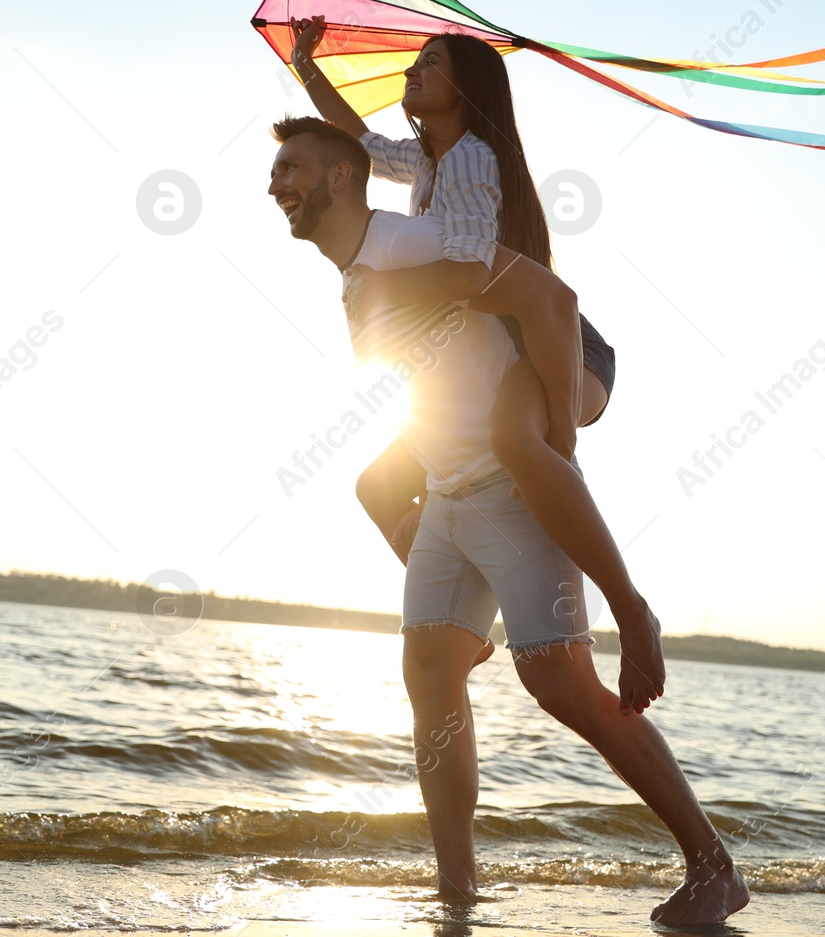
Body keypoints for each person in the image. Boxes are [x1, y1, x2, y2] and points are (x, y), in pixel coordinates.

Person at [266, 114, 750, 925]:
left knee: (562, 686)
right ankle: (456, 891)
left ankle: (713, 864)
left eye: (291, 169)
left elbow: (550, 297)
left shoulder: (417, 243)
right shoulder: (359, 270)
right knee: (429, 674)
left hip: (511, 492)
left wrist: (550, 438)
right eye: (275, 171)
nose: (275, 185)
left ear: (341, 177)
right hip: (448, 502)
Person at [287, 17, 665, 710]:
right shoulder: (430, 160)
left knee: (516, 441)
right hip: (511, 344)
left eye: (430, 62)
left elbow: (476, 277)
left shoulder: (470, 158)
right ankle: (468, 624)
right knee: (378, 486)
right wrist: (308, 66)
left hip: (559, 346)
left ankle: (632, 612)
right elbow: (359, 141)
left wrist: (563, 441)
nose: (413, 70)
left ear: (468, 87)